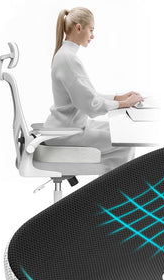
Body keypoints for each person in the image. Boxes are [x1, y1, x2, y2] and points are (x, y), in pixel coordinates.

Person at [44, 7, 144, 173]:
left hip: (71, 126)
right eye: (91, 30)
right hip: (67, 132)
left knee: (123, 134)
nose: (92, 36)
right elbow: (91, 105)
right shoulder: (68, 59)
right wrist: (124, 104)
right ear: (78, 28)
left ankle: (113, 185)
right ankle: (114, 187)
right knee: (125, 143)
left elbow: (87, 96)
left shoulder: (66, 55)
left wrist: (119, 98)